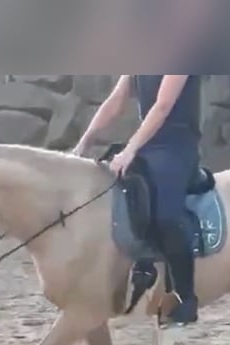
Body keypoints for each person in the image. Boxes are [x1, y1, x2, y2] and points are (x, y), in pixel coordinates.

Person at [72, 75, 202, 327]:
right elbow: (115, 102)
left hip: (177, 146)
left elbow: (163, 105)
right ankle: (139, 263)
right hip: (148, 144)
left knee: (166, 216)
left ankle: (185, 298)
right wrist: (83, 143)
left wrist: (130, 149)